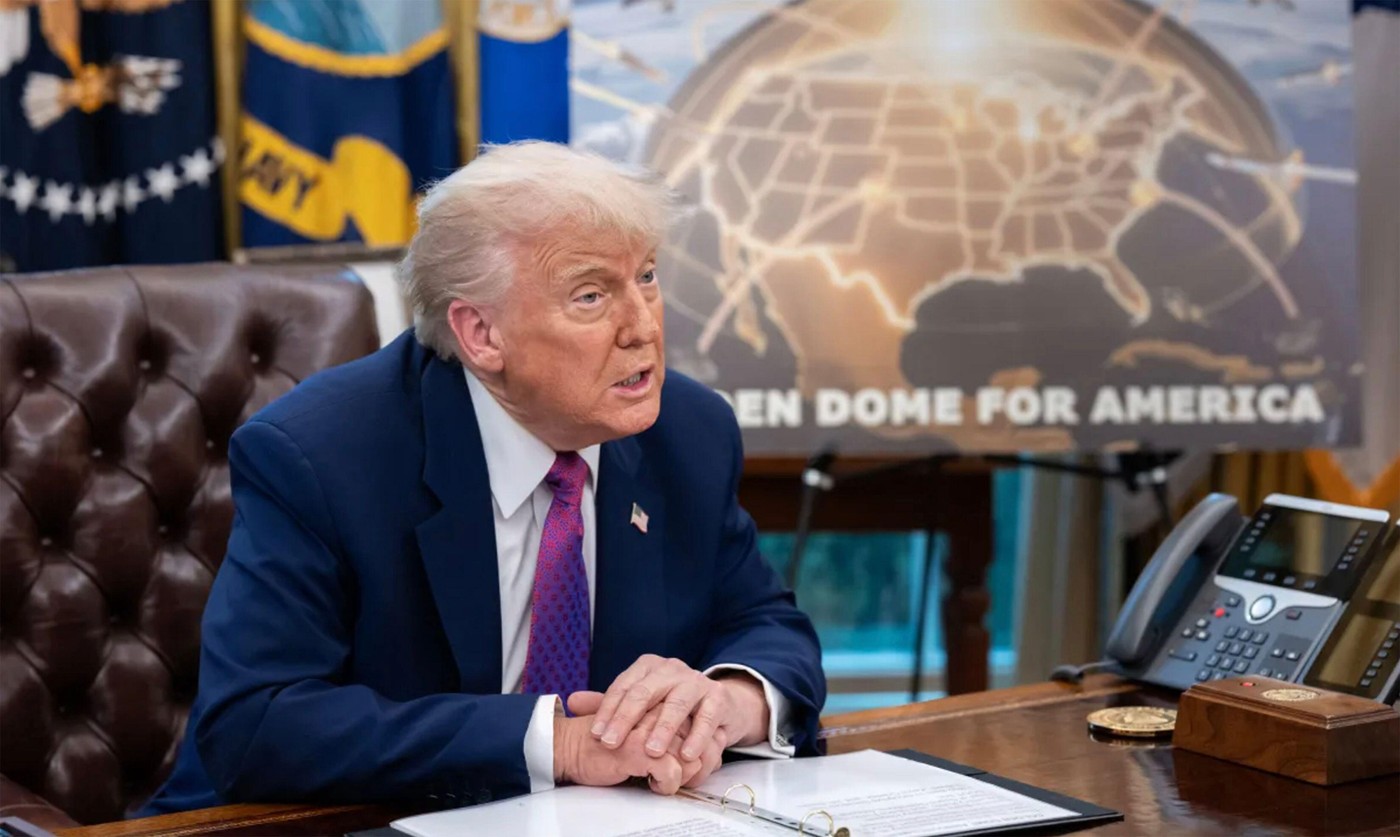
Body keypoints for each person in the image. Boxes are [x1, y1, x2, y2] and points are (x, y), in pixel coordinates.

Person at [141, 142, 826, 813]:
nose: (643, 325)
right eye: (591, 295)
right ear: (481, 335)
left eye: (646, 276)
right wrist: (555, 743)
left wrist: (727, 698)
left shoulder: (687, 431)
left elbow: (764, 622)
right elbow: (256, 725)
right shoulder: (320, 457)